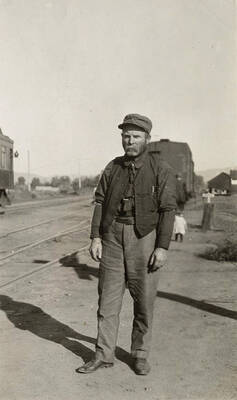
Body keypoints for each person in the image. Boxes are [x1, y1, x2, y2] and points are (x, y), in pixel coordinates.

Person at [77, 113, 177, 375]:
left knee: (143, 301)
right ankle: (103, 355)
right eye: (125, 136)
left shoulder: (160, 169)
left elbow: (168, 209)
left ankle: (140, 354)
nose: (129, 141)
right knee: (107, 301)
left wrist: (162, 247)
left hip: (144, 238)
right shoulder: (112, 167)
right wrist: (95, 237)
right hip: (111, 237)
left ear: (147, 139)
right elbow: (99, 202)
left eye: (135, 136)